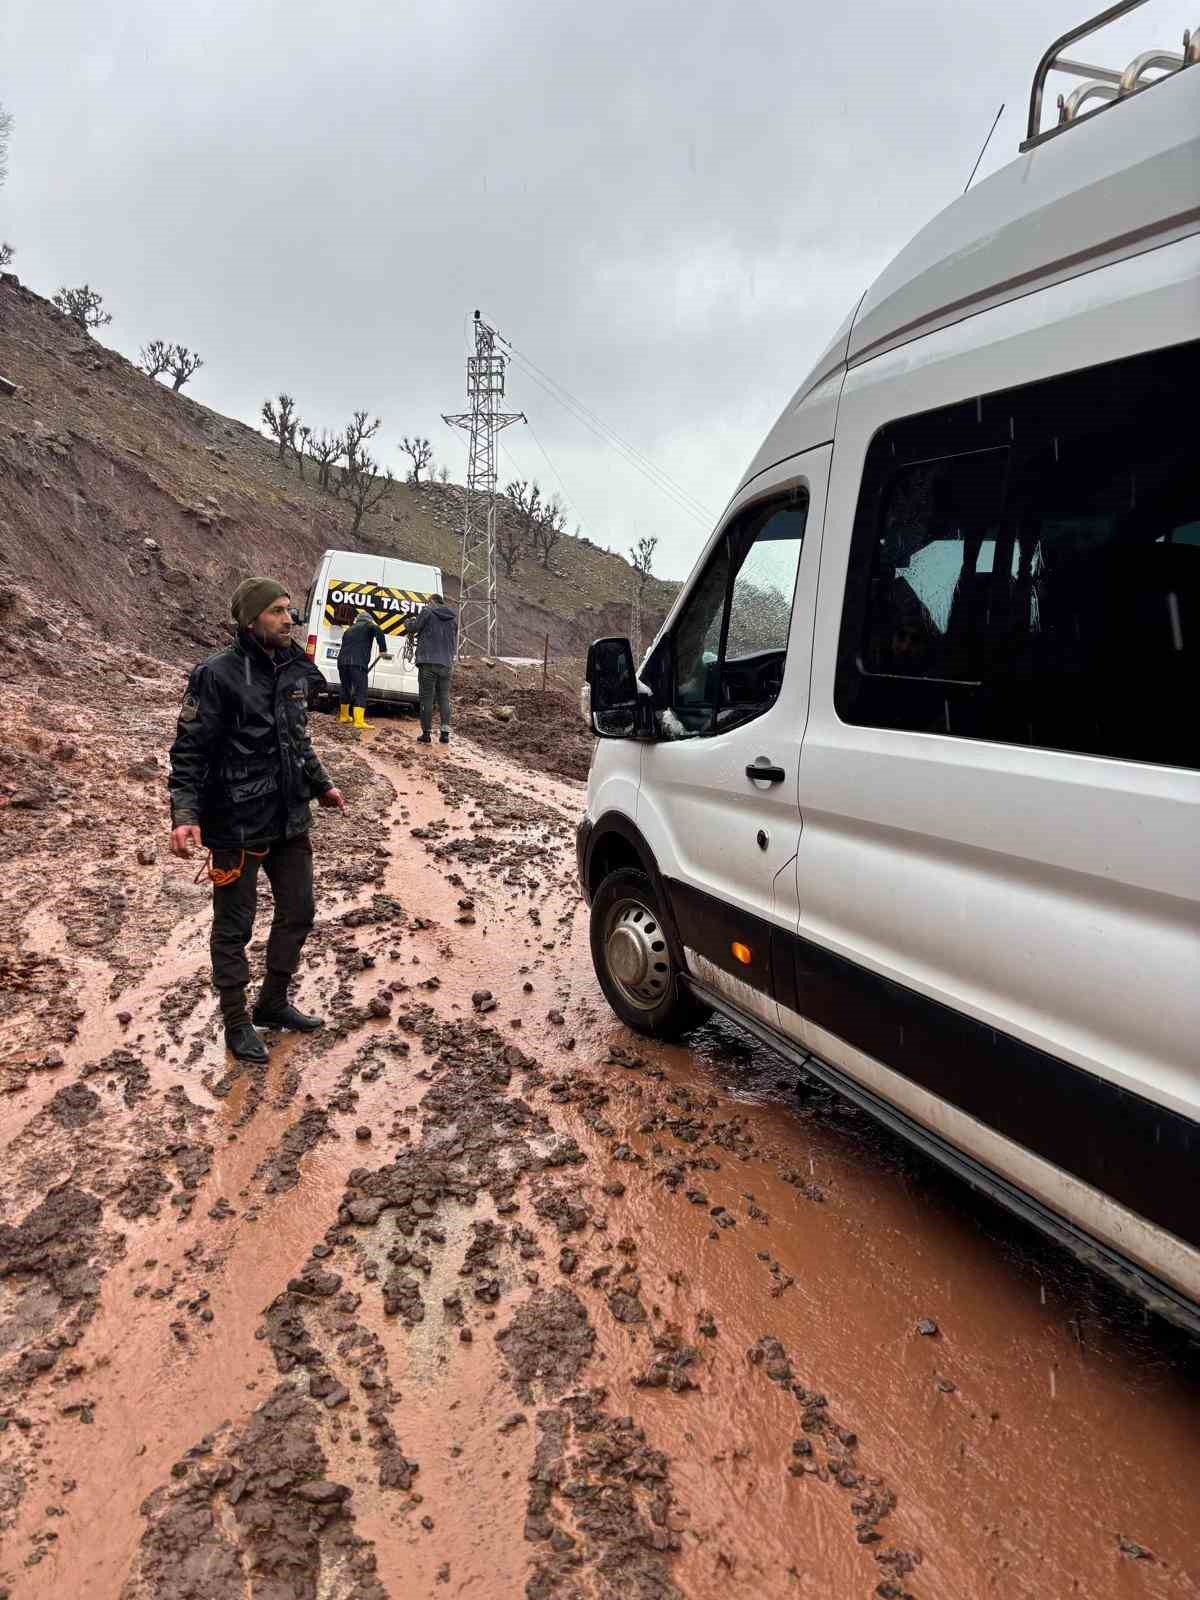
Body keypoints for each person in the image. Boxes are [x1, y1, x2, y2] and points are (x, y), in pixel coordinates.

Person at [167, 577, 347, 1063]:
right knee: (234, 928)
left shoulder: (293, 669)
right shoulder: (215, 674)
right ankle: (236, 1021)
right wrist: (185, 814)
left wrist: (322, 784)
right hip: (236, 822)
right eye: (276, 611)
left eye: (289, 610)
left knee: (299, 911)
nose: (288, 619)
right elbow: (188, 752)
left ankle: (272, 1003)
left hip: (291, 817)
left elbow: (298, 739)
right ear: (250, 620)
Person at [403, 594, 458, 744]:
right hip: (446, 664)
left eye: (428, 602)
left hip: (428, 662)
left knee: (426, 699)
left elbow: (413, 628)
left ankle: (426, 733)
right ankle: (445, 733)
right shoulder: (452, 618)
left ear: (431, 601)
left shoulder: (427, 611)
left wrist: (407, 622)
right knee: (444, 698)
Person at [337, 608, 391, 728]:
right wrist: (383, 650)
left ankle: (344, 716)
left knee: (345, 688)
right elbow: (378, 630)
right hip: (357, 663)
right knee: (360, 690)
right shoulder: (369, 625)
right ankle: (359, 721)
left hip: (342, 663)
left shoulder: (349, 629)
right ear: (368, 620)